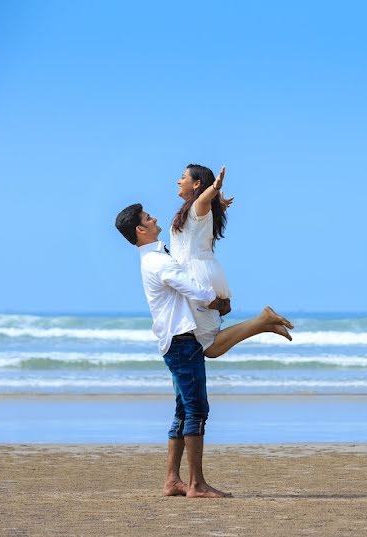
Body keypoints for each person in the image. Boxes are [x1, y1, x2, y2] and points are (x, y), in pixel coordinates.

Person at [114, 203, 292, 498]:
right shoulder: (158, 262)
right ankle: (196, 484)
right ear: (140, 230)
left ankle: (172, 481)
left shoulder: (155, 257)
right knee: (196, 411)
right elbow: (195, 289)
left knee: (184, 412)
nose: (154, 217)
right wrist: (219, 301)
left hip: (177, 341)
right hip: (182, 342)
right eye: (148, 217)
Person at [171, 163, 291, 356]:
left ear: (197, 184)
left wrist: (215, 188)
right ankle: (263, 324)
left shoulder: (198, 206)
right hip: (202, 271)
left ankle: (262, 322)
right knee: (208, 342)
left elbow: (203, 199)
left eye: (183, 177)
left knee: (209, 346)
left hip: (195, 276)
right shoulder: (198, 211)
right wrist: (219, 204)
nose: (178, 180)